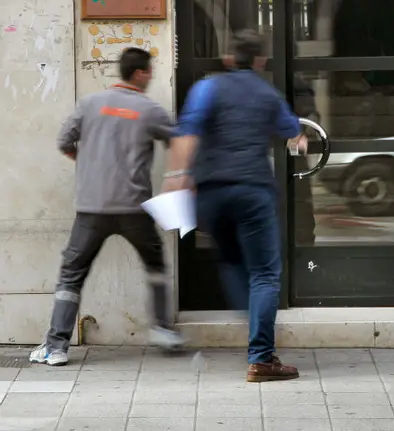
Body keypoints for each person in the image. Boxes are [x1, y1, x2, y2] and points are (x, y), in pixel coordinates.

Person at [164, 30, 305, 382]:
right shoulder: (268, 94)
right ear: (259, 61)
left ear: (229, 58)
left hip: (211, 193)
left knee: (229, 258)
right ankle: (261, 356)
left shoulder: (208, 87)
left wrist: (178, 176)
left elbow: (188, 132)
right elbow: (294, 134)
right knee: (265, 274)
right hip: (252, 192)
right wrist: (299, 143)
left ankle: (252, 317)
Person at [30, 48, 186, 366]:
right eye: (149, 71)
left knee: (71, 276)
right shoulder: (149, 109)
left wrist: (87, 163)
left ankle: (56, 346)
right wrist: (178, 177)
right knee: (155, 266)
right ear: (140, 73)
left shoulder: (90, 104)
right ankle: (162, 330)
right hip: (133, 209)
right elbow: (180, 140)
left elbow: (64, 141)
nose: (152, 76)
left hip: (92, 209)